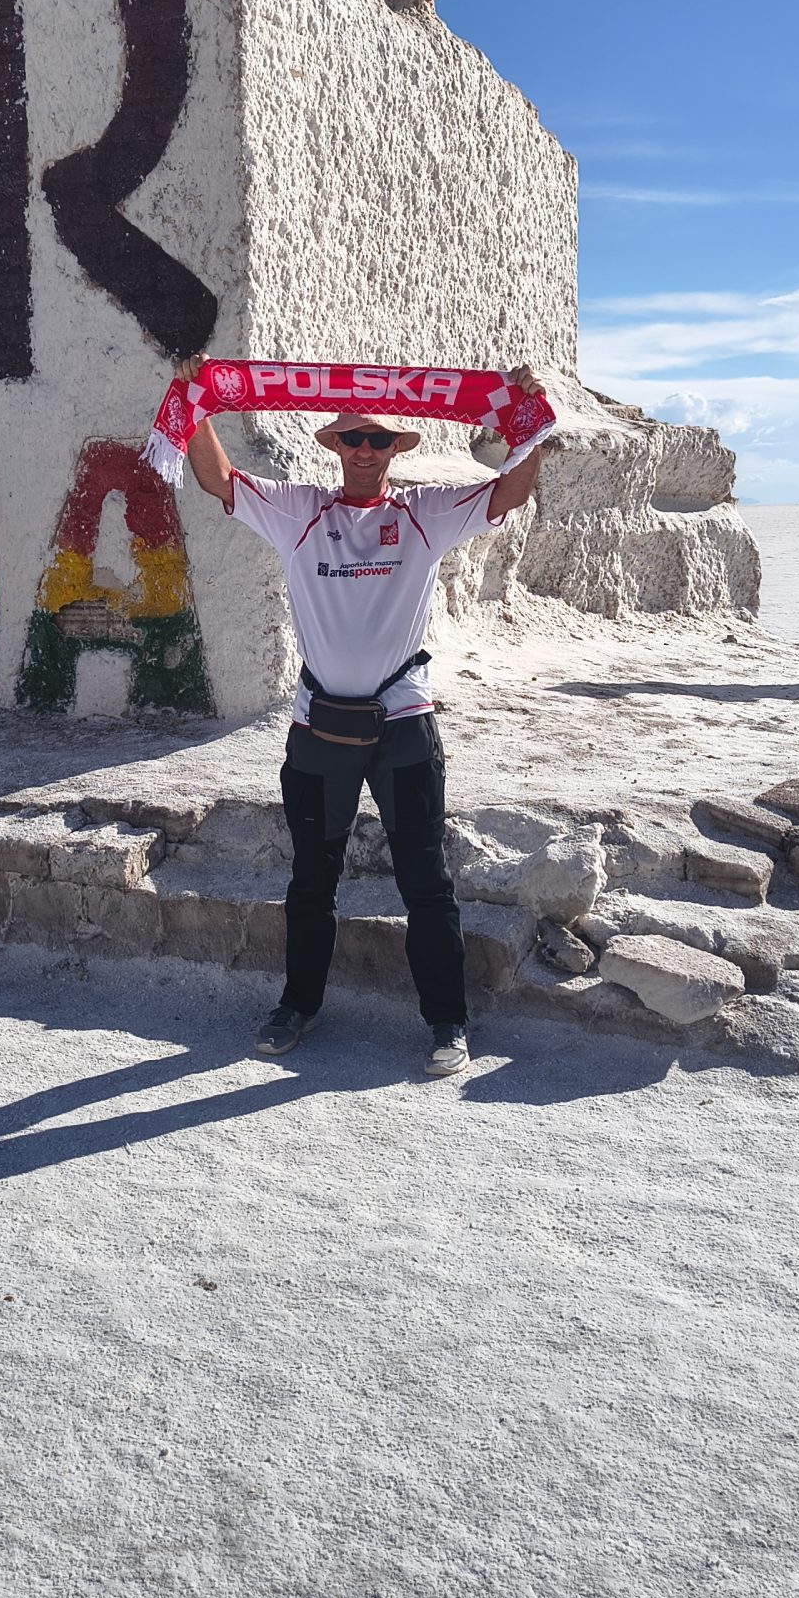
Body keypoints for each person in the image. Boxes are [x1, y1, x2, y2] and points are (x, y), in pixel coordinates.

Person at [184, 365, 549, 1077]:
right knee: (312, 878)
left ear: (395, 449)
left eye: (378, 439)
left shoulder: (423, 513)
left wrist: (527, 421)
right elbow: (217, 479)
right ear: (335, 445)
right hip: (319, 727)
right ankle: (298, 1005)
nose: (365, 449)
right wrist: (194, 401)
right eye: (353, 438)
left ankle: (447, 1022)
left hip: (403, 723)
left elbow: (509, 491)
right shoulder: (297, 511)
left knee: (425, 879)